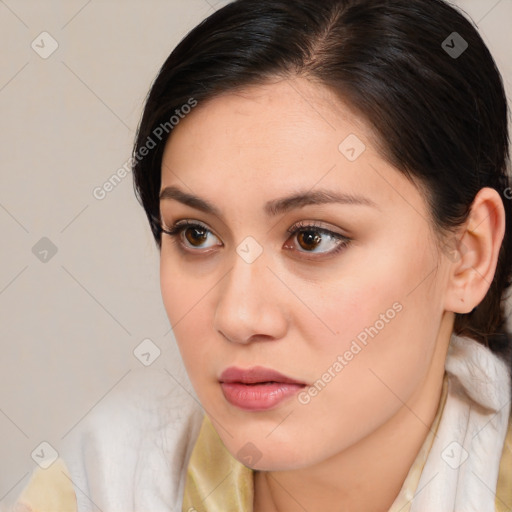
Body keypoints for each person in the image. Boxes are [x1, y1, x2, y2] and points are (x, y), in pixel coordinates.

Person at [9, 0, 512, 511]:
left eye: (312, 238)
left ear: (468, 255)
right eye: (196, 234)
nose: (237, 317)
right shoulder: (101, 481)